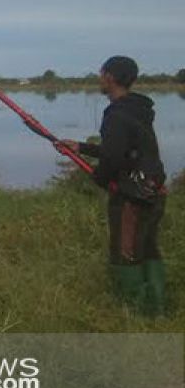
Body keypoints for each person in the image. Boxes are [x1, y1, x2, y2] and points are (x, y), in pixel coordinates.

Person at [62, 55, 167, 316]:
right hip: (155, 191)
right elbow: (126, 150)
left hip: (133, 196)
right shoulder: (137, 110)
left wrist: (99, 178)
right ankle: (158, 306)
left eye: (101, 75)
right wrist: (82, 147)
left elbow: (113, 158)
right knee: (148, 248)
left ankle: (137, 313)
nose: (100, 79)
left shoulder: (117, 114)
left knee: (126, 252)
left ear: (109, 77)